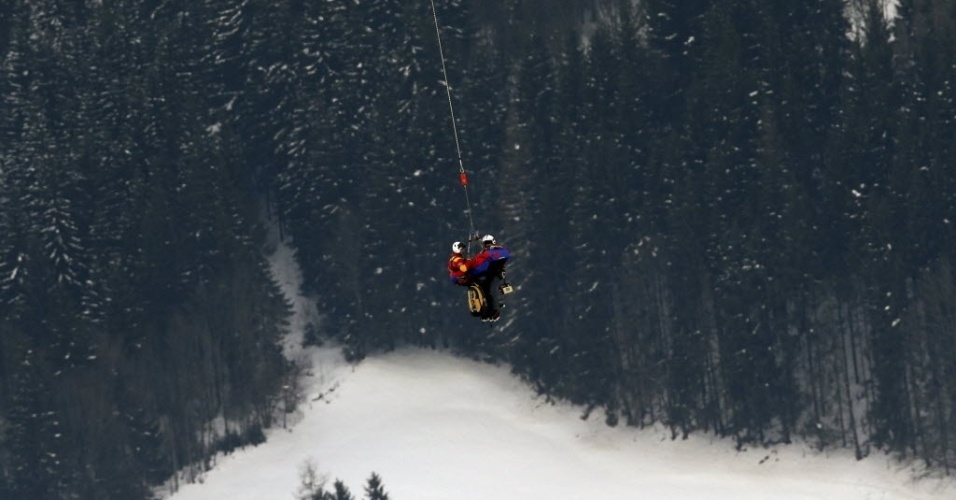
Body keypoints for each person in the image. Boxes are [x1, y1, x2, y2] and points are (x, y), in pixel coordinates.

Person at [467, 235, 511, 322]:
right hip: (488, 274)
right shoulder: (484, 253)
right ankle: (487, 311)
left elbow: (504, 255)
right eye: (485, 244)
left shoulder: (496, 250)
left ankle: (495, 311)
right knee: (484, 291)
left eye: (489, 243)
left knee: (491, 290)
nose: (487, 245)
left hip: (496, 274)